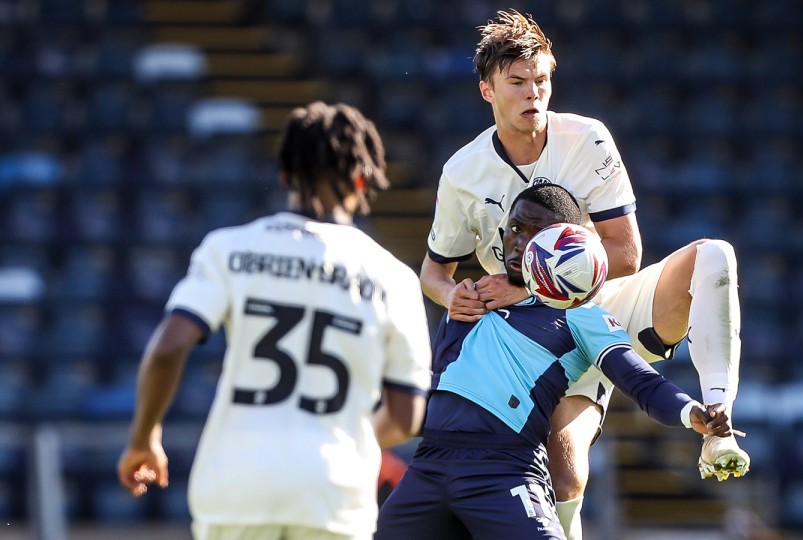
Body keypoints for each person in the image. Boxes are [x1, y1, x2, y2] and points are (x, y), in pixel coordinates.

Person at [419, 10, 748, 539]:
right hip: (530, 334)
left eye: (542, 80)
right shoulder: (463, 171)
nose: (533, 93)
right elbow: (435, 271)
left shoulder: (588, 138)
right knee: (564, 472)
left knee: (714, 255)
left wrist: (526, 281)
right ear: (487, 91)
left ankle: (718, 423)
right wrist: (451, 294)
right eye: (518, 82)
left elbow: (625, 254)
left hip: (598, 307)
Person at [117, 101, 433, 540]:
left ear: (285, 174)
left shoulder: (229, 249)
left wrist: (144, 438)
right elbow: (407, 415)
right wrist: (340, 437)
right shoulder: (394, 278)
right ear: (362, 180)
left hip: (236, 484)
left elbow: (170, 346)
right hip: (333, 494)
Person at [378, 183, 734, 539]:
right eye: (516, 229)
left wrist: (691, 413)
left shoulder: (582, 315)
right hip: (428, 465)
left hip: (502, 470)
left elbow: (641, 381)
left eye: (537, 235)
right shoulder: (468, 300)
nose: (520, 243)